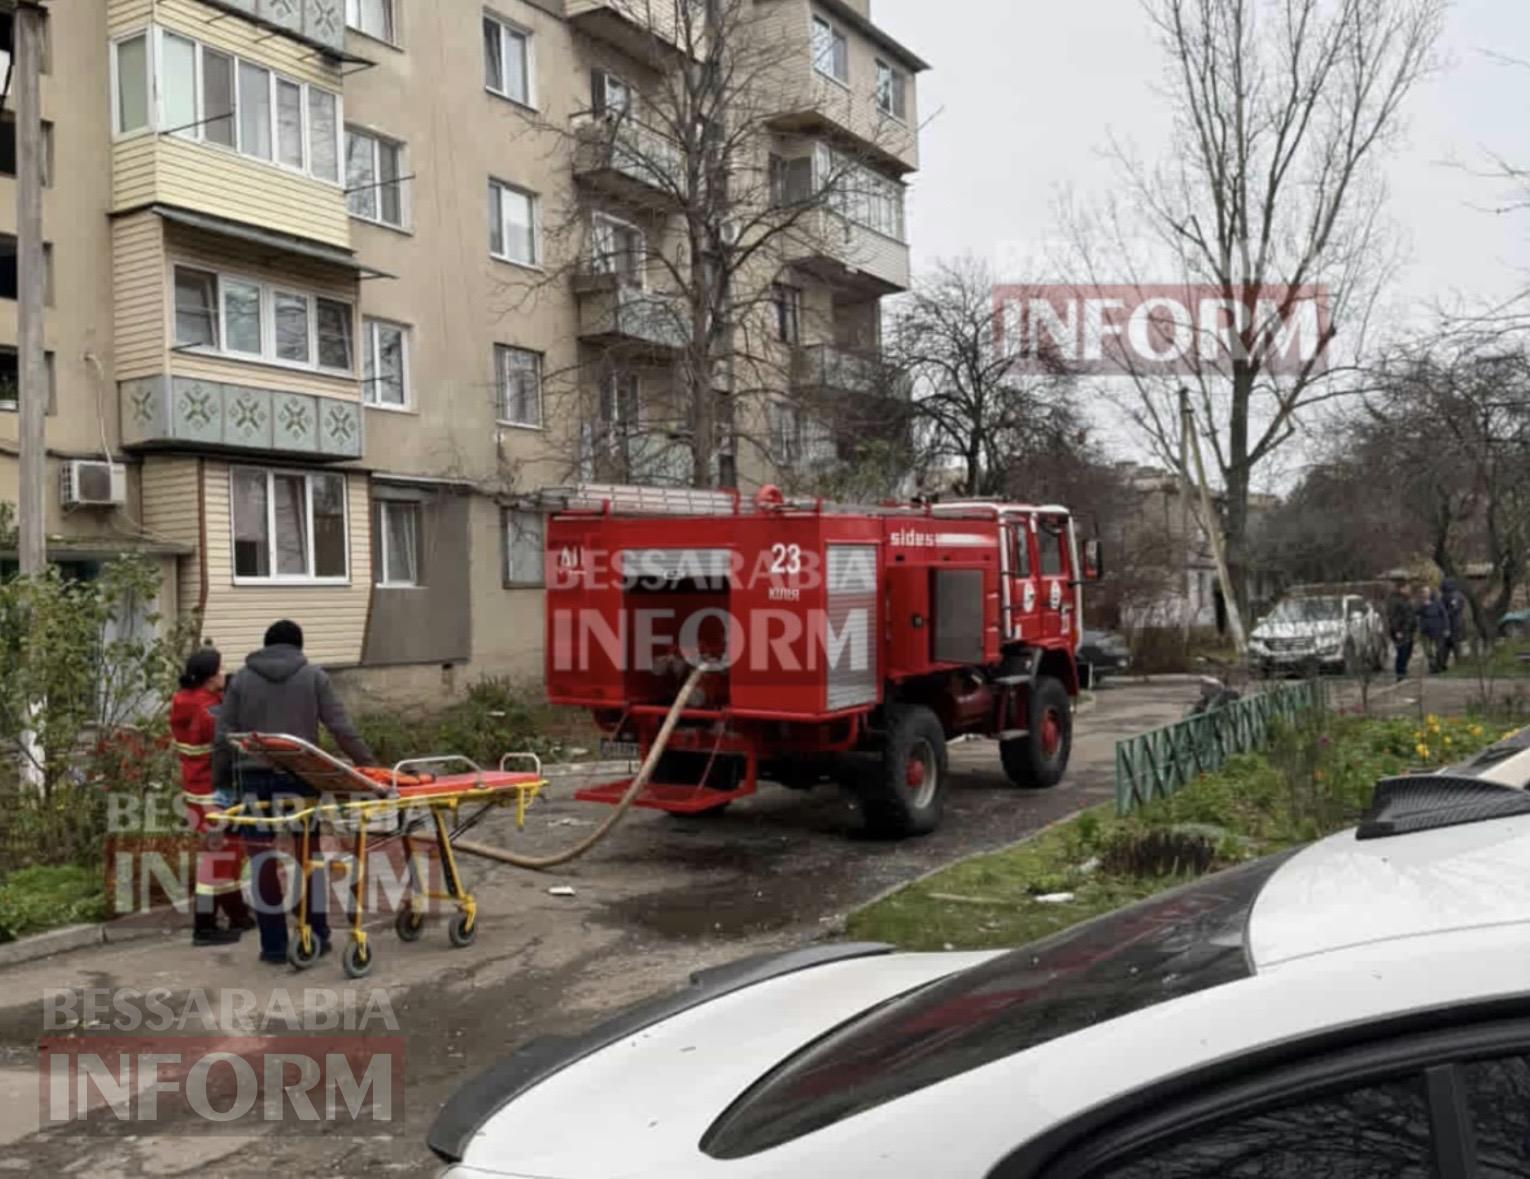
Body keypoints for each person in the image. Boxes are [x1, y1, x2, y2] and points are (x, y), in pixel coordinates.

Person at [213, 620, 376, 966]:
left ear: (265, 644)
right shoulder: (313, 677)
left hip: (252, 782)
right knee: (309, 856)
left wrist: (223, 785)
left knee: (262, 862)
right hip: (301, 778)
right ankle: (317, 933)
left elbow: (223, 735)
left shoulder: (241, 679)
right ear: (298, 648)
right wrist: (369, 767)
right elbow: (340, 727)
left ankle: (273, 947)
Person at [170, 647, 252, 946]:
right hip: (214, 792)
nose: (224, 674)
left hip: (198, 789)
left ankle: (239, 915)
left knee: (225, 854)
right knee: (218, 858)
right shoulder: (208, 711)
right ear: (208, 678)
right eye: (219, 670)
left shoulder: (186, 700)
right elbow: (230, 740)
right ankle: (204, 926)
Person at [1385, 579, 1417, 683]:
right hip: (1400, 630)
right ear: (1402, 588)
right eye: (1408, 588)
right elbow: (1392, 616)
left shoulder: (1406, 599)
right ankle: (1400, 674)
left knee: (1408, 651)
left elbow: (1410, 614)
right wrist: (1397, 630)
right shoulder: (1394, 600)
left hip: (1408, 629)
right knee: (1402, 651)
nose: (1410, 590)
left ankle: (1403, 671)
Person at [1419, 588, 1448, 673]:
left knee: (1439, 648)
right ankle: (1432, 665)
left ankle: (1439, 666)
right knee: (1428, 650)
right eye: (1423, 592)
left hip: (1437, 628)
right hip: (1425, 630)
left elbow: (1444, 615)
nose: (1424, 594)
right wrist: (1424, 606)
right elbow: (1416, 612)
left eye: (1426, 592)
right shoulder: (1420, 603)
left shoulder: (1437, 603)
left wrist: (1446, 628)